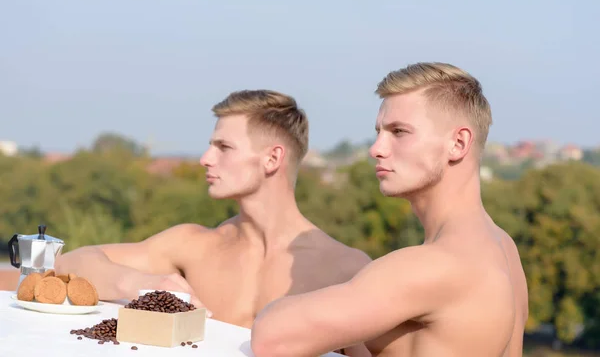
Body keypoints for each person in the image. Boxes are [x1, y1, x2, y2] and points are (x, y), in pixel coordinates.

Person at [55, 90, 372, 355]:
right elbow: (70, 263)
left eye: (224, 147)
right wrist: (134, 283)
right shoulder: (191, 245)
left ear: (272, 159)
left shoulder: (345, 269)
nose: (205, 158)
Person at [250, 63, 529, 357]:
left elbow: (270, 338)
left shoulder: (434, 264)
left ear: (458, 143)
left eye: (399, 131)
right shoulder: (503, 247)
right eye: (379, 131)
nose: (377, 148)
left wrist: (339, 288)